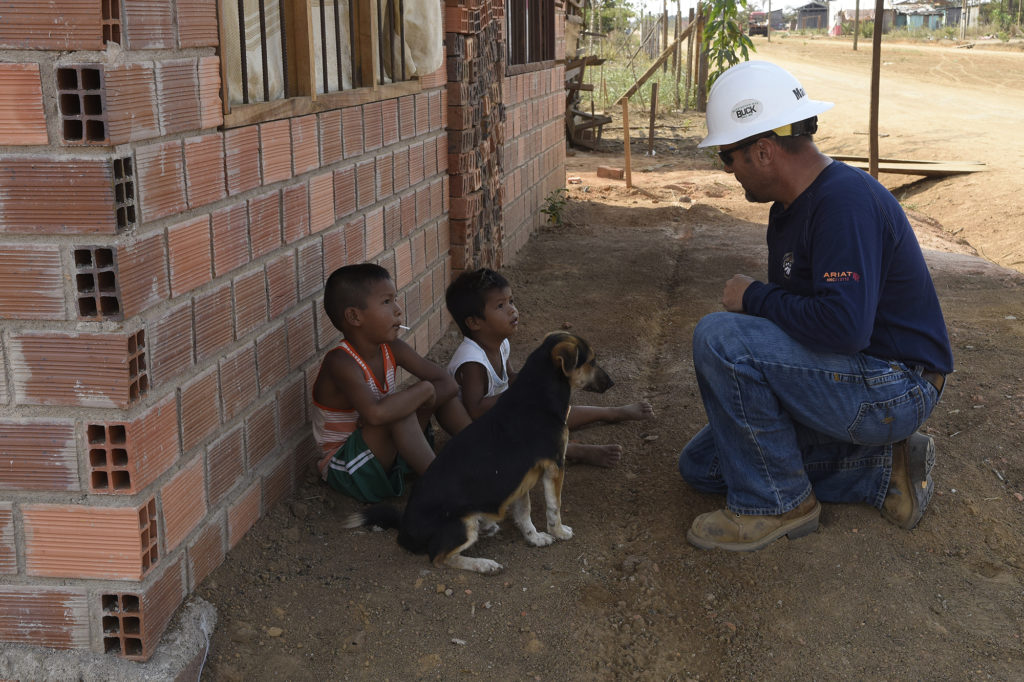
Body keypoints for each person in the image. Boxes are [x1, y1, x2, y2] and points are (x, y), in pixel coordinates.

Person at [678, 61, 953, 551]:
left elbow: (844, 328)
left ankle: (778, 504)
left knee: (720, 336)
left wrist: (754, 297)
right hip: (855, 374)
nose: (726, 169)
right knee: (704, 466)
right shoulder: (791, 209)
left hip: (897, 384)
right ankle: (883, 469)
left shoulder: (842, 203)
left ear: (762, 151)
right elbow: (805, 324)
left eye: (727, 156)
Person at [445, 267, 654, 467]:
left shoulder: (500, 344)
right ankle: (574, 451)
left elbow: (509, 380)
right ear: (474, 323)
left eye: (511, 301)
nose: (512, 310)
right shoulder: (472, 362)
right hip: (483, 432)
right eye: (500, 306)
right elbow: (475, 410)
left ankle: (609, 413)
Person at [312, 263, 471, 503]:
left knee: (426, 401)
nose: (398, 310)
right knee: (402, 408)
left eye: (395, 300)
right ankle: (447, 490)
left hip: (383, 451)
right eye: (387, 302)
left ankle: (483, 454)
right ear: (355, 316)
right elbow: (376, 415)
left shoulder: (392, 348)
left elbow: (448, 384)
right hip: (347, 467)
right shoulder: (340, 362)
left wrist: (424, 395)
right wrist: (424, 390)